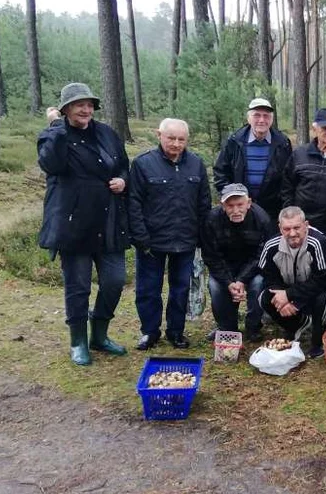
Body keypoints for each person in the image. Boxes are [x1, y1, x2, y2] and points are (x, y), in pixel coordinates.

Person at [38, 83, 130, 366]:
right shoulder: (55, 135)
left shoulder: (106, 133)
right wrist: (55, 127)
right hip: (73, 225)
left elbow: (123, 164)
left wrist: (123, 180)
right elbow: (50, 164)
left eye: (89, 104)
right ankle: (78, 341)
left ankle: (99, 334)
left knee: (114, 281)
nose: (85, 109)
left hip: (109, 220)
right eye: (79, 105)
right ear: (65, 109)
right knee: (78, 287)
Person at [129, 118, 212, 350]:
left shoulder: (196, 164)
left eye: (181, 139)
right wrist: (140, 237)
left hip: (185, 240)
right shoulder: (143, 164)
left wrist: (201, 237)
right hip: (151, 241)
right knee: (148, 288)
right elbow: (133, 203)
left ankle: (176, 331)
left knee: (181, 289)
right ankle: (149, 332)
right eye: (171, 138)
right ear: (159, 135)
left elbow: (204, 203)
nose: (176, 144)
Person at [258, 206, 326, 358]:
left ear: (306, 225)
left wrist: (291, 297)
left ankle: (318, 341)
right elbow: (268, 276)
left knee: (322, 301)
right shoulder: (271, 246)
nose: (292, 233)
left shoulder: (318, 242)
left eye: (297, 228)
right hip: (293, 285)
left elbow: (322, 280)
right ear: (280, 228)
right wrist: (282, 297)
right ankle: (298, 324)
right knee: (264, 298)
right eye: (287, 229)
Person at [201, 184, 276, 342]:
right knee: (215, 286)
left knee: (258, 284)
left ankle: (253, 327)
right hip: (225, 266)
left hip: (253, 268)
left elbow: (262, 255)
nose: (236, 210)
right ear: (222, 206)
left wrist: (242, 280)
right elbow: (211, 256)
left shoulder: (262, 219)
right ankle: (227, 329)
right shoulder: (211, 220)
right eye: (230, 206)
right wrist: (229, 282)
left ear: (248, 203)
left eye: (240, 205)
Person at [279, 107, 326, 244]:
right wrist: (291, 214)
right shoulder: (299, 155)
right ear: (314, 128)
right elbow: (287, 187)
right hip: (300, 225)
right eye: (324, 128)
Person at [213, 98, 293, 220]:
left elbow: (288, 178)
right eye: (257, 115)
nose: (261, 120)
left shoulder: (283, 144)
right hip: (239, 209)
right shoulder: (234, 141)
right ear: (249, 118)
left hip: (272, 210)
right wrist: (233, 198)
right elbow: (221, 173)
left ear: (271, 119)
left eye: (266, 116)